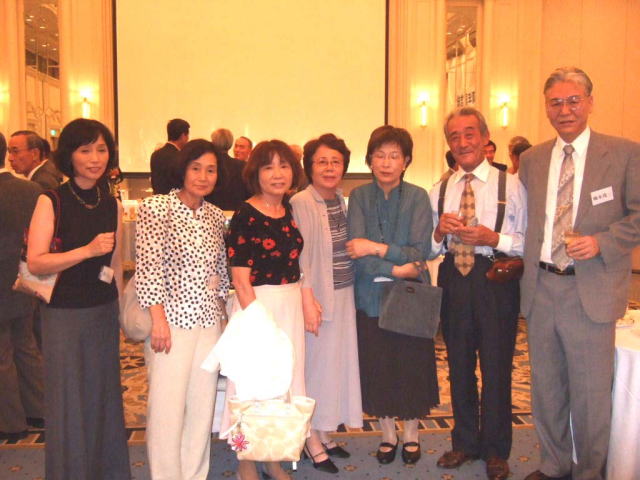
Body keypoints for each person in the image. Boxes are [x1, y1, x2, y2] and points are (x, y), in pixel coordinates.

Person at [519, 67, 640, 480]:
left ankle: (589, 471)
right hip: (541, 287)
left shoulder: (624, 153)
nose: (565, 109)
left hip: (591, 290)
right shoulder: (532, 160)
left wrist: (603, 241)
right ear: (546, 108)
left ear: (590, 102)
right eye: (555, 102)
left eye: (573, 100)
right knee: (547, 388)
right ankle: (553, 465)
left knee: (590, 394)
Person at [26, 118, 130, 479]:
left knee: (104, 396)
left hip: (103, 311)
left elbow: (115, 264)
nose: (95, 158)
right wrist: (85, 251)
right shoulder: (51, 200)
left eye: (101, 149)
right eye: (85, 150)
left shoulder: (111, 203)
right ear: (69, 155)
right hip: (64, 314)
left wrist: (120, 311)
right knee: (68, 399)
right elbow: (36, 262)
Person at [429, 107, 525, 480]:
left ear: (485, 138)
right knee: (458, 365)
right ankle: (465, 442)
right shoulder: (440, 189)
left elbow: (527, 241)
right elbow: (429, 249)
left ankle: (496, 450)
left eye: (469, 133)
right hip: (454, 278)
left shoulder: (510, 186)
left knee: (497, 366)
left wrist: (493, 237)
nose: (463, 142)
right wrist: (439, 232)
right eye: (454, 136)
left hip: (495, 278)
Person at [136, 139, 229, 480]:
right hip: (171, 322)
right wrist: (157, 320)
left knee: (202, 406)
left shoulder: (216, 215)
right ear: (183, 170)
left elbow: (220, 271)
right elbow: (148, 268)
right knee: (167, 408)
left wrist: (223, 316)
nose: (203, 177)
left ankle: (194, 474)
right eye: (196, 168)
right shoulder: (157, 208)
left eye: (211, 170)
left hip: (208, 322)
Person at [346, 125, 438, 466]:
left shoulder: (418, 197)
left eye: (394, 156)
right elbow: (355, 250)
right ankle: (387, 434)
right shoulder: (359, 197)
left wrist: (377, 248)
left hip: (410, 298)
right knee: (379, 366)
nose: (386, 163)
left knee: (410, 366)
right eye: (380, 155)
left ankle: (411, 433)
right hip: (370, 295)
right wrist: (397, 268)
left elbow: (420, 250)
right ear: (370, 160)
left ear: (406, 161)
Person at [222, 139, 304, 480]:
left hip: (289, 305)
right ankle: (245, 460)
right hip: (256, 308)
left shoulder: (288, 210)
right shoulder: (245, 215)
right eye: (268, 167)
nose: (277, 174)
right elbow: (240, 279)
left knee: (282, 385)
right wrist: (260, 326)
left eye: (284, 166)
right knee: (250, 387)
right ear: (255, 173)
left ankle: (272, 458)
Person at [290, 134, 363, 474]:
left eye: (336, 162)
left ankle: (323, 431)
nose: (330, 168)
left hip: (343, 292)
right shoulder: (302, 201)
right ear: (309, 166)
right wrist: (308, 298)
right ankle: (310, 439)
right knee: (314, 369)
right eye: (322, 161)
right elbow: (299, 257)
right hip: (317, 296)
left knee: (332, 367)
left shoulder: (339, 200)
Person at [0, 131, 45, 442]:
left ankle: (11, 422)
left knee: (3, 355)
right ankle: (39, 409)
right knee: (26, 345)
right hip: (24, 279)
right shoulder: (30, 189)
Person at [205, 128, 249, 211]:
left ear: (213, 143)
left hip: (210, 212)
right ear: (230, 145)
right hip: (236, 212)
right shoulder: (243, 166)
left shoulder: (209, 165)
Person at [150, 118, 190, 194]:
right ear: (183, 136)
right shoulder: (180, 157)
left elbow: (154, 182)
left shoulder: (156, 154)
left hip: (158, 198)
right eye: (187, 135)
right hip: (175, 199)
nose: (188, 139)